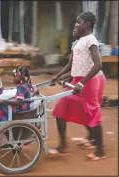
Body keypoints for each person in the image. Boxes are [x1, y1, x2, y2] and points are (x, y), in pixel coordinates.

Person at [49, 11, 106, 160]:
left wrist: (81, 82)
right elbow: (72, 65)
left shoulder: (90, 40)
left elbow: (98, 65)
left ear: (87, 24)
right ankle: (62, 146)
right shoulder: (78, 42)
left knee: (92, 112)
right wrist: (58, 76)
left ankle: (100, 151)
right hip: (78, 81)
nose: (76, 25)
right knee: (61, 107)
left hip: (88, 82)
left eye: (78, 22)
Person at [0, 66, 39, 148]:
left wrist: (5, 101)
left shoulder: (22, 87)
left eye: (15, 75)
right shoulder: (28, 85)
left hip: (20, 108)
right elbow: (36, 91)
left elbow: (18, 101)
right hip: (24, 107)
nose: (13, 77)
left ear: (20, 76)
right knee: (0, 105)